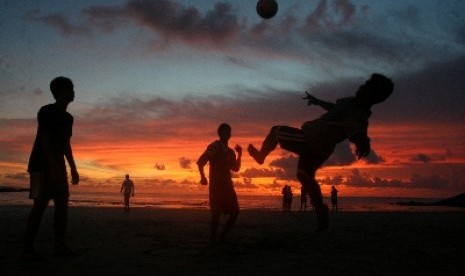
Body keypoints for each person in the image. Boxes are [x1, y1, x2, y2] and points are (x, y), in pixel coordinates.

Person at [248, 73, 394, 232]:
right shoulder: (350, 103)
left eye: (366, 87)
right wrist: (318, 102)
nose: (361, 86)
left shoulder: (358, 115)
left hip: (312, 140)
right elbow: (335, 108)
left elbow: (357, 133)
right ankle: (320, 211)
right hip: (321, 149)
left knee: (276, 131)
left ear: (373, 97)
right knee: (303, 175)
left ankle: (261, 156)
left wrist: (363, 141)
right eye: (364, 84)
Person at [22, 76, 80, 260]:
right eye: (69, 88)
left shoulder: (68, 118)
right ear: (60, 91)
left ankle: (59, 246)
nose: (73, 92)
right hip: (39, 166)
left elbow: (65, 144)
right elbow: (45, 139)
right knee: (39, 206)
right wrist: (53, 166)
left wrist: (72, 167)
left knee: (62, 205)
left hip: (58, 167)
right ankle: (28, 249)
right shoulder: (47, 111)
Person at [197, 123, 242, 246]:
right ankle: (212, 239)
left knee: (235, 212)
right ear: (220, 133)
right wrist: (202, 177)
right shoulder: (214, 147)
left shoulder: (230, 152)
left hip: (227, 186)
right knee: (216, 214)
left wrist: (240, 155)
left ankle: (222, 237)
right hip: (216, 186)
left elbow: (236, 168)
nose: (228, 134)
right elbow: (201, 161)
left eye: (229, 131)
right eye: (226, 131)